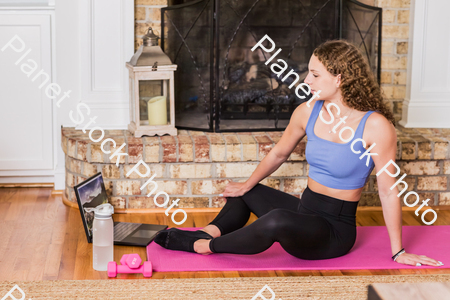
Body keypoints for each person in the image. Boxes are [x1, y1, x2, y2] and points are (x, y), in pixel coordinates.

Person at [154, 40, 443, 267]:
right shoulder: (307, 111)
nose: (306, 80)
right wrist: (245, 184)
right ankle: (209, 232)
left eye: (315, 74)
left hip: (332, 232)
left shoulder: (376, 126)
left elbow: (388, 191)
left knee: (278, 219)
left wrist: (398, 252)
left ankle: (202, 246)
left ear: (340, 78)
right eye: (308, 72)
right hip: (306, 211)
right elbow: (278, 154)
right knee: (247, 191)